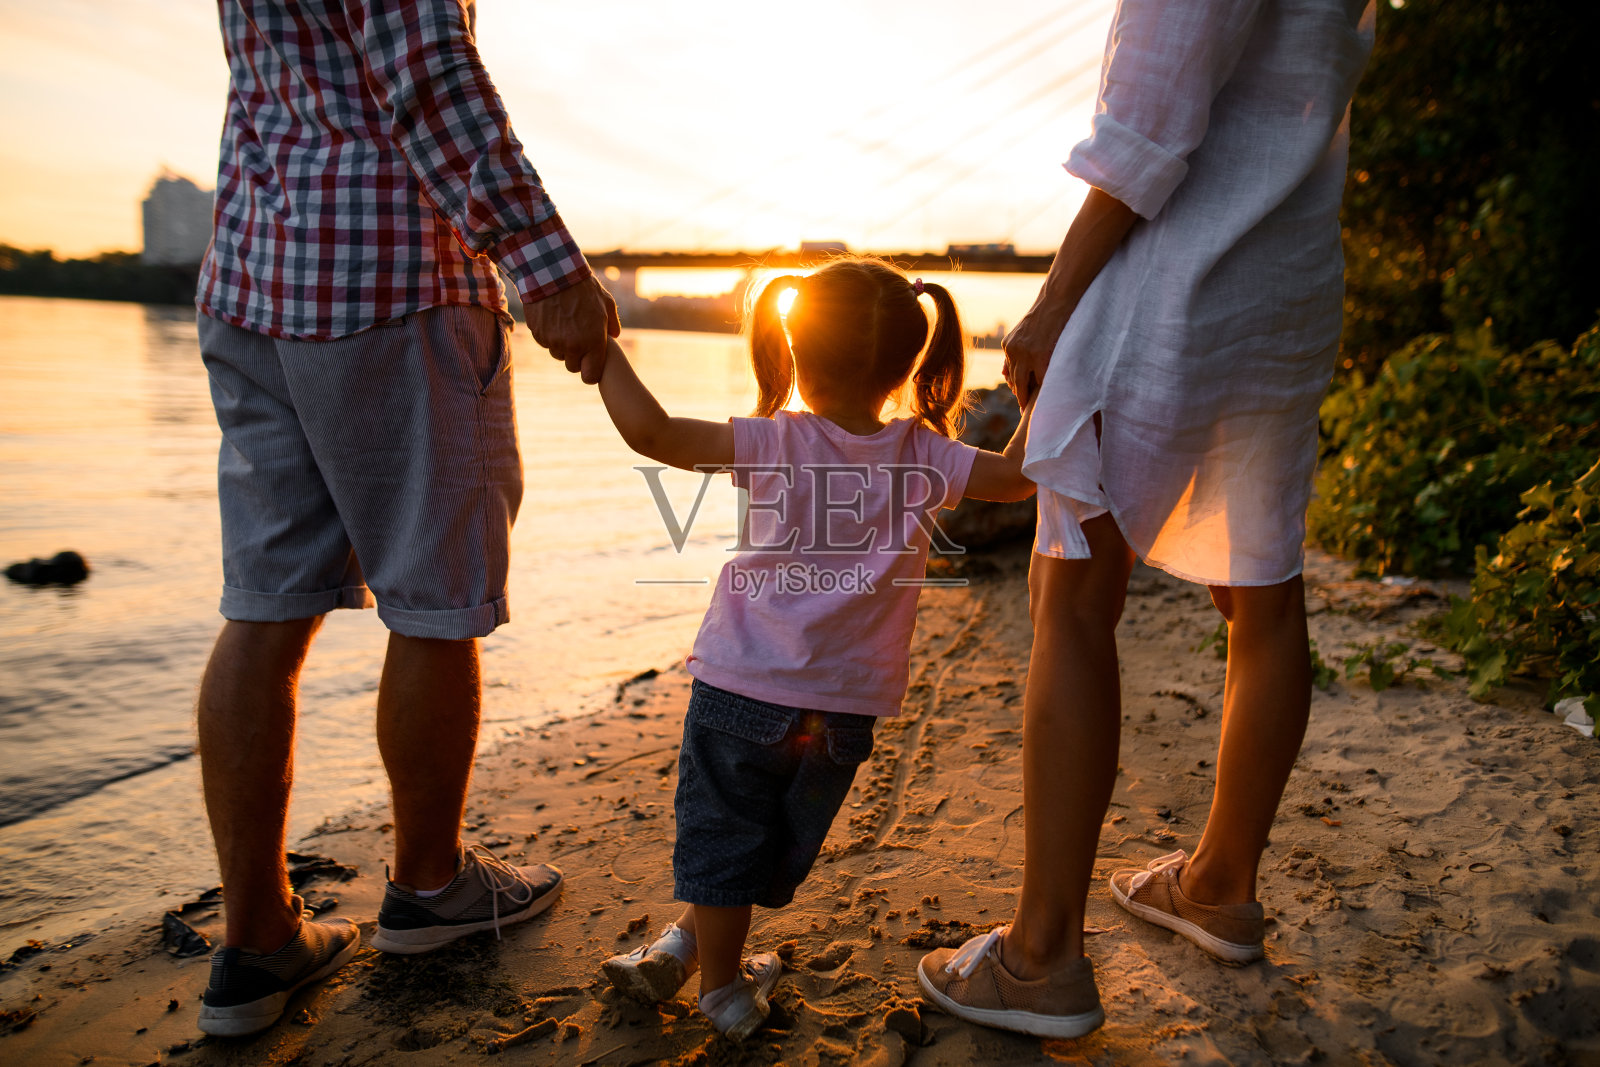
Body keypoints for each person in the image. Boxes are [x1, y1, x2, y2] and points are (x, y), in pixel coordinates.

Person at [917, 0, 1377, 1039]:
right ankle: (1216, 883)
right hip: (1288, 280)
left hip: (1177, 280)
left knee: (1071, 594)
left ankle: (1040, 954)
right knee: (1262, 589)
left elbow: (1145, 135)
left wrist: (1048, 305)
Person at [193, 0, 618, 1038]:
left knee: (266, 606)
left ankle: (255, 942)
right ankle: (430, 887)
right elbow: (427, 69)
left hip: (254, 268)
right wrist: (546, 266)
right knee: (435, 597)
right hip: (393, 274)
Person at [590, 259, 1035, 1040]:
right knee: (768, 849)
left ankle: (722, 988)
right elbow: (1021, 475)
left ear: (794, 346)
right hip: (841, 709)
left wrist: (604, 354)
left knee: (724, 835)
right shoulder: (925, 454)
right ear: (909, 362)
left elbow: (653, 432)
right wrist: (1036, 393)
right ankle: (689, 943)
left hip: (737, 685)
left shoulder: (772, 440)